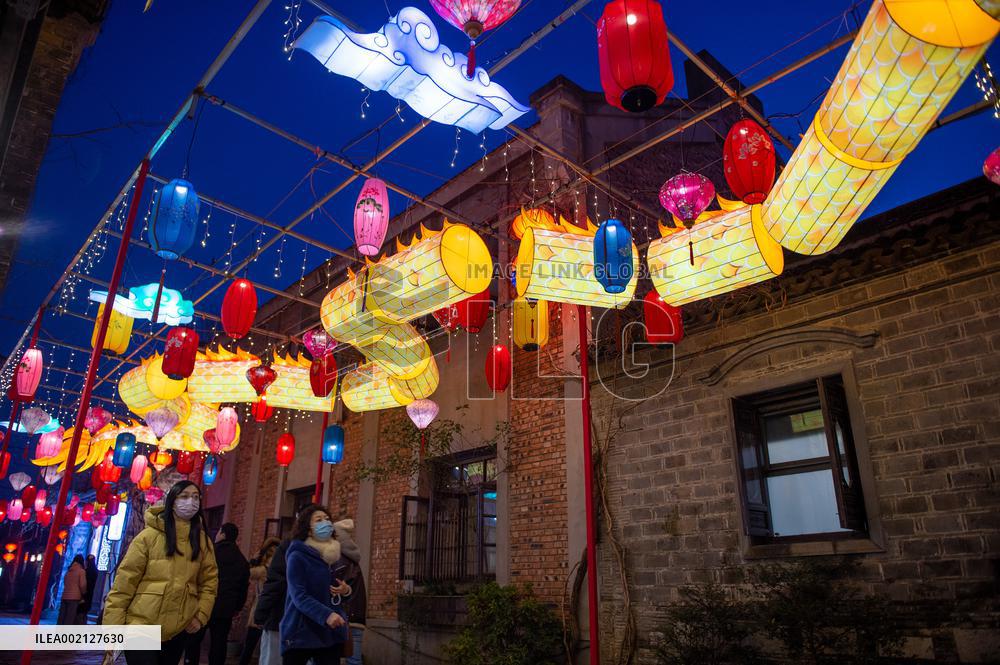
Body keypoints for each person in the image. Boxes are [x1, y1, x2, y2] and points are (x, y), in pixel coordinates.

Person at [104, 480, 219, 665]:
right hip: (141, 627)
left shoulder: (202, 542)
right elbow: (124, 585)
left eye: (196, 497)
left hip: (178, 630)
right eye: (185, 496)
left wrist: (200, 615)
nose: (191, 502)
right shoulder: (148, 537)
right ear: (172, 501)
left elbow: (209, 583)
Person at [280, 504, 350, 665]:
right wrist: (326, 615)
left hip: (328, 633)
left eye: (327, 519)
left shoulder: (332, 555)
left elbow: (335, 592)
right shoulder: (297, 556)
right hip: (300, 631)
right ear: (308, 529)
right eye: (319, 520)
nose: (325, 523)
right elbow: (299, 596)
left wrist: (345, 590)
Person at [185, 523, 250, 665]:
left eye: (218, 532)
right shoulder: (241, 560)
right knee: (219, 644)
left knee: (194, 640)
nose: (216, 535)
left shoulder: (211, 553)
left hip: (204, 605)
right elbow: (243, 587)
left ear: (223, 534)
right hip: (226, 609)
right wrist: (237, 607)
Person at [238, 537, 280, 665]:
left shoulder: (269, 570)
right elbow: (245, 573)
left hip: (266, 611)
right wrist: (253, 561)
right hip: (264, 611)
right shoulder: (264, 570)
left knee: (259, 646)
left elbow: (245, 572)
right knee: (254, 646)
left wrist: (253, 561)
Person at [253, 533, 293, 665]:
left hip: (278, 617)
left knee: (271, 657)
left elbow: (273, 587)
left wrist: (260, 613)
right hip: (292, 619)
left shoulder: (286, 550)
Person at [333, 519, 367, 665]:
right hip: (355, 616)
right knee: (353, 658)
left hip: (345, 616)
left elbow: (334, 586)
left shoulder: (339, 560)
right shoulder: (352, 559)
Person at [57, 555, 87, 625]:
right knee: (70, 617)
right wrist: (84, 593)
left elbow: (65, 582)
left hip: (65, 596)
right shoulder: (81, 571)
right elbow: (82, 585)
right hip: (74, 598)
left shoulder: (69, 571)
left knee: (62, 617)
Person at [80, 553, 98, 623]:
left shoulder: (85, 571)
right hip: (90, 593)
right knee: (85, 611)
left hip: (84, 593)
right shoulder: (95, 571)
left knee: (80, 611)